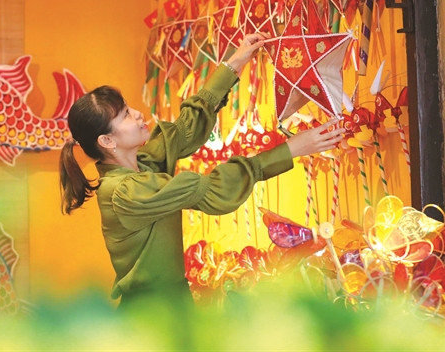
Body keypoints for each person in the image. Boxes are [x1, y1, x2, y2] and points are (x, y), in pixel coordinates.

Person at [59, 33, 345, 312]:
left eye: (128, 107)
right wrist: (290, 149)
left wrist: (235, 63)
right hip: (152, 315)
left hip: (173, 305)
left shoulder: (143, 163)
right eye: (123, 115)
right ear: (107, 141)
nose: (136, 113)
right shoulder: (124, 192)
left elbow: (184, 130)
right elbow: (210, 190)